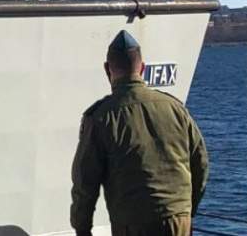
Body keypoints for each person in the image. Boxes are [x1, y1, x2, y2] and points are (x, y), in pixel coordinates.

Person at [70, 30, 208, 236]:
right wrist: (186, 211)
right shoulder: (175, 109)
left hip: (134, 225)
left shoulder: (100, 118)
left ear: (108, 70)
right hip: (179, 222)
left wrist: (82, 229)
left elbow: (85, 183)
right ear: (142, 68)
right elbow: (201, 162)